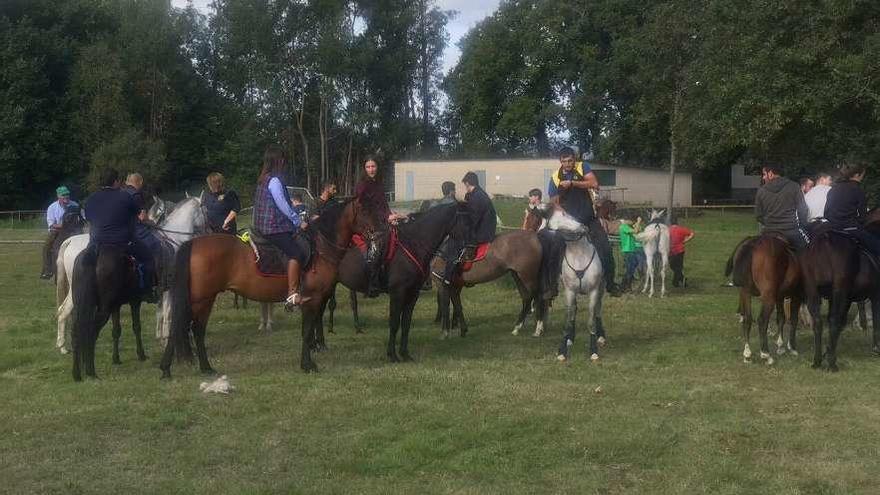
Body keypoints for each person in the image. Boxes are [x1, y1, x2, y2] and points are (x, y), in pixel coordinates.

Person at [548, 147, 621, 296]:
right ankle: (552, 286)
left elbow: (594, 183)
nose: (567, 164)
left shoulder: (583, 167)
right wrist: (559, 209)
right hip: (569, 223)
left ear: (574, 159)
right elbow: (553, 200)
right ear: (560, 161)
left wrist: (573, 183)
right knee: (553, 250)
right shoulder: (555, 177)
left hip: (589, 220)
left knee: (605, 248)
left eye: (570, 161)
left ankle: (611, 284)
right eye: (564, 161)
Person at [252, 145, 310, 309]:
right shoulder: (275, 181)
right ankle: (292, 293)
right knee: (296, 253)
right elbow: (283, 206)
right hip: (273, 227)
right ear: (276, 161)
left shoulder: (263, 178)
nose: (284, 162)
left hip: (261, 226)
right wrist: (299, 222)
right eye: (282, 159)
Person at [354, 156, 406, 297]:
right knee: (378, 244)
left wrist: (391, 215)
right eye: (368, 167)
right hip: (367, 222)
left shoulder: (379, 183)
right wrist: (386, 217)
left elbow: (383, 205)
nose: (371, 169)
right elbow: (364, 208)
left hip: (381, 221)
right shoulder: (362, 186)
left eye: (373, 166)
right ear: (364, 169)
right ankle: (372, 282)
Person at [83, 168, 142, 289]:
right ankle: (145, 289)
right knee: (149, 258)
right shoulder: (125, 196)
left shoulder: (90, 199)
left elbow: (89, 218)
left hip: (96, 242)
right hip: (121, 242)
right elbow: (137, 215)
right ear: (116, 181)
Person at [442, 172, 497, 285]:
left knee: (454, 242)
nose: (465, 188)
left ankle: (449, 277)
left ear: (467, 183)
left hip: (482, 231)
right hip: (483, 227)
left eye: (465, 185)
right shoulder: (478, 194)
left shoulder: (477, 197)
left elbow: (472, 220)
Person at [824, 161, 880, 256]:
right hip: (851, 228)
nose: (863, 177)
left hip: (831, 227)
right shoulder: (858, 190)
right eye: (863, 175)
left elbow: (826, 212)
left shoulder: (833, 189)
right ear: (857, 175)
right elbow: (863, 217)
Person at [122, 173, 160, 301]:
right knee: (157, 245)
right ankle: (150, 286)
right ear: (139, 182)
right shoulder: (136, 195)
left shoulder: (121, 193)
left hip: (120, 231)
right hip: (137, 231)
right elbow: (142, 217)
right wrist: (152, 223)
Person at [754, 164, 809, 250]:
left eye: (764, 174)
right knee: (808, 249)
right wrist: (802, 226)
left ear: (771, 173)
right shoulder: (794, 186)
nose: (763, 178)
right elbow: (803, 210)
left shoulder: (761, 191)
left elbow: (758, 216)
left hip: (769, 232)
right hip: (791, 231)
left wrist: (770, 223)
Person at [41, 186, 80, 279]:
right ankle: (48, 270)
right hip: (57, 231)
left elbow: (81, 218)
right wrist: (63, 225)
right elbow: (51, 224)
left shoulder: (75, 205)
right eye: (63, 195)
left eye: (67, 194)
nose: (66, 196)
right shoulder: (52, 207)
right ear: (58, 196)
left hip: (73, 231)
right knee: (46, 247)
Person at [617, 214, 643, 292]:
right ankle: (625, 286)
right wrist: (638, 222)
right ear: (627, 220)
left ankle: (624, 286)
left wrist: (637, 225)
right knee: (629, 270)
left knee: (631, 269)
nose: (632, 223)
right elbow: (636, 231)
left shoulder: (627, 227)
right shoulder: (623, 227)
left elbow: (637, 232)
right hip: (628, 250)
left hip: (632, 250)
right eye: (631, 221)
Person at [668, 217, 695, 288]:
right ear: (677, 222)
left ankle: (676, 282)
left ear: (670, 223)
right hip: (680, 251)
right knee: (678, 267)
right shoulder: (681, 229)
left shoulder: (668, 230)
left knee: (673, 266)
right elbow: (692, 233)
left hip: (671, 251)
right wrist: (686, 240)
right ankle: (682, 279)